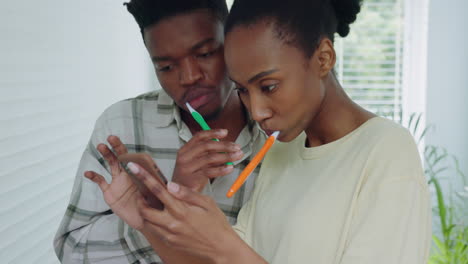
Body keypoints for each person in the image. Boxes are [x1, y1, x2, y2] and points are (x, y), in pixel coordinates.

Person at [115, 0, 432, 263]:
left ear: (323, 58)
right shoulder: (282, 149)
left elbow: (233, 256)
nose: (257, 112)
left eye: (268, 86)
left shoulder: (387, 152)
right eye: (243, 90)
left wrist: (225, 245)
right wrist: (151, 217)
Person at [53, 0, 266, 263]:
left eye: (205, 54)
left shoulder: (281, 134)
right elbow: (72, 249)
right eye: (166, 67)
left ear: (233, 40)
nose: (189, 77)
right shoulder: (122, 124)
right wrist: (157, 212)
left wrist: (166, 214)